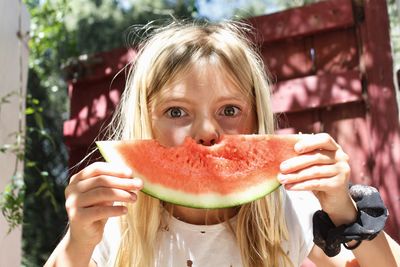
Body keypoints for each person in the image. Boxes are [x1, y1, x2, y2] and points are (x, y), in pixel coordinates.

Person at [45, 21, 400, 267]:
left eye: (229, 109)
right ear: (145, 121)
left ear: (257, 118)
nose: (205, 130)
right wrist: (79, 241)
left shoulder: (288, 210)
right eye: (176, 111)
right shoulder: (118, 221)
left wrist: (342, 210)